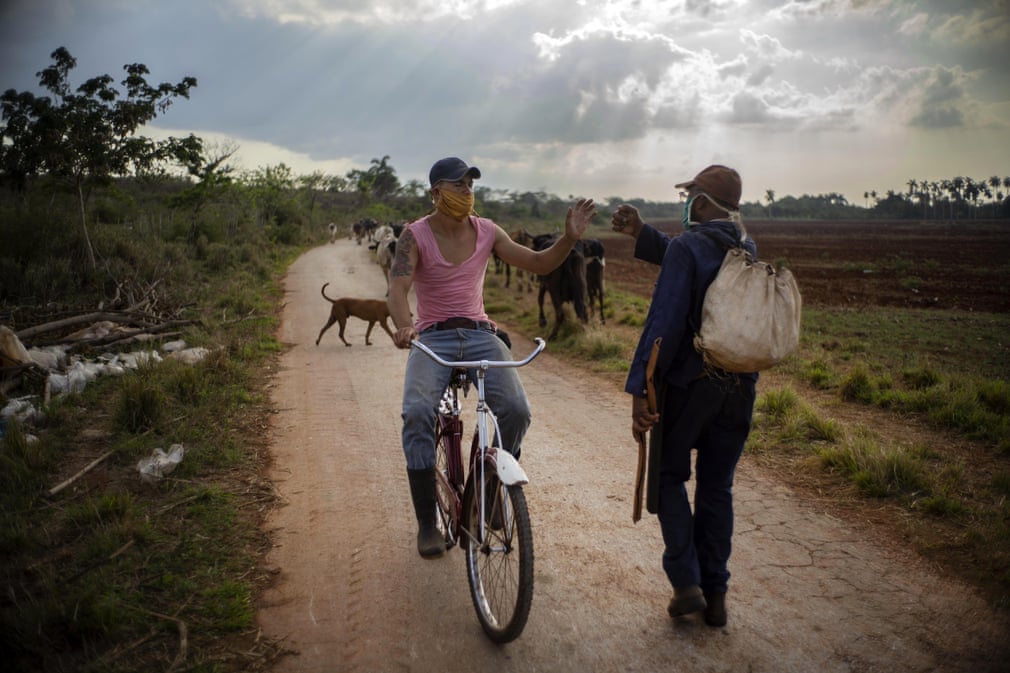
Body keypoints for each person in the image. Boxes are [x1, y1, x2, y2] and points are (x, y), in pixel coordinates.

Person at [389, 156, 597, 559]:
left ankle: (490, 490)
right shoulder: (414, 236)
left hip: (482, 335)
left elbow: (537, 263)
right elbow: (397, 290)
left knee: (517, 410)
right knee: (417, 412)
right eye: (458, 185)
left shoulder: (487, 231)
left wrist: (569, 239)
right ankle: (427, 525)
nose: (467, 192)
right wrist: (404, 325)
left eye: (470, 185)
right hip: (433, 336)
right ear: (436, 193)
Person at [611, 164, 757, 628]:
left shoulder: (689, 246)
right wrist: (642, 232)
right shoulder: (747, 247)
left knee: (670, 478)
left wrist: (640, 389)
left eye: (690, 195)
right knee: (718, 486)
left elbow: (664, 325)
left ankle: (685, 582)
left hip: (688, 390)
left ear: (701, 202)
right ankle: (716, 596)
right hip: (739, 389)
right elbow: (689, 255)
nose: (686, 203)